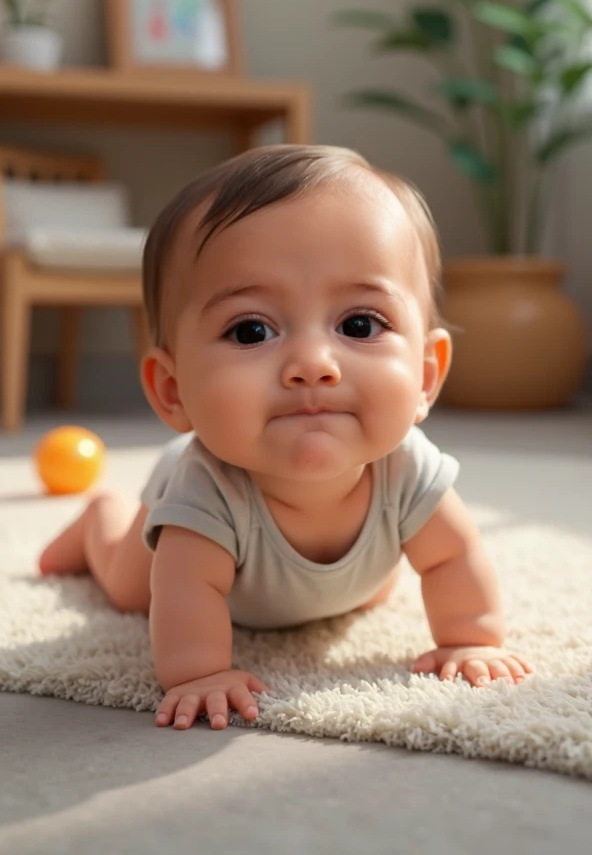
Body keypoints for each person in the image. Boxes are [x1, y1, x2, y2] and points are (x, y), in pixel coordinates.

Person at [39, 144, 534, 731]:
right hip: (171, 505)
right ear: (173, 391)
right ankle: (102, 518)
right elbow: (185, 593)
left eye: (359, 324)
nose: (313, 364)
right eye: (251, 331)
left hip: (333, 581)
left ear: (426, 375)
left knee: (372, 589)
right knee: (130, 587)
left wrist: (470, 640)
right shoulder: (205, 489)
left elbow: (453, 556)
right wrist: (198, 672)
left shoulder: (408, 470)